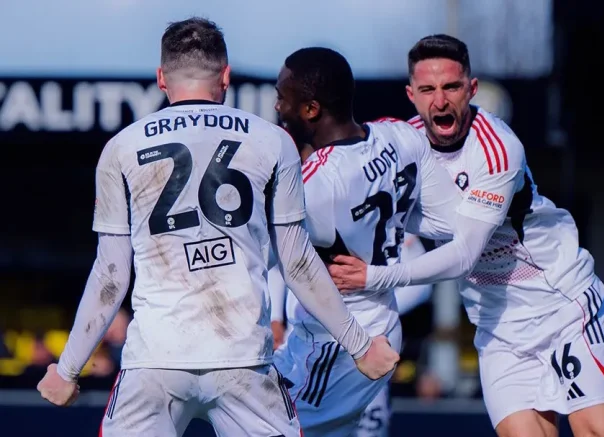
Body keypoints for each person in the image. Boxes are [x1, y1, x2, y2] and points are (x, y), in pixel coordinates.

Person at [34, 18, 398, 437]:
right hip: (243, 358)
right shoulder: (273, 141)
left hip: (154, 360)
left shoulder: (121, 147)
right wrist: (360, 345)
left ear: (161, 78)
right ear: (225, 76)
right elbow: (297, 263)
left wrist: (68, 368)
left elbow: (111, 274)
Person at [327, 35, 604, 437]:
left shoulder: (498, 149)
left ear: (472, 88)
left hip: (560, 305)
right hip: (497, 326)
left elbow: (466, 253)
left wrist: (373, 276)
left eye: (451, 87)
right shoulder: (396, 146)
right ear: (410, 95)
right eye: (428, 90)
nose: (440, 101)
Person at [271, 47, 458, 437]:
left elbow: (255, 245)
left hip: (336, 345)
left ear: (310, 110)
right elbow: (446, 219)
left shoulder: (314, 185)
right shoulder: (399, 134)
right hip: (374, 324)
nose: (276, 106)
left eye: (281, 97)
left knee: (261, 425)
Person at [269, 234, 433, 437]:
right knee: (291, 422)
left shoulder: (389, 217)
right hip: (307, 344)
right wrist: (275, 317)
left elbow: (422, 287)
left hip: (369, 345)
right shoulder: (303, 210)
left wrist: (375, 309)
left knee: (368, 430)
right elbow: (276, 261)